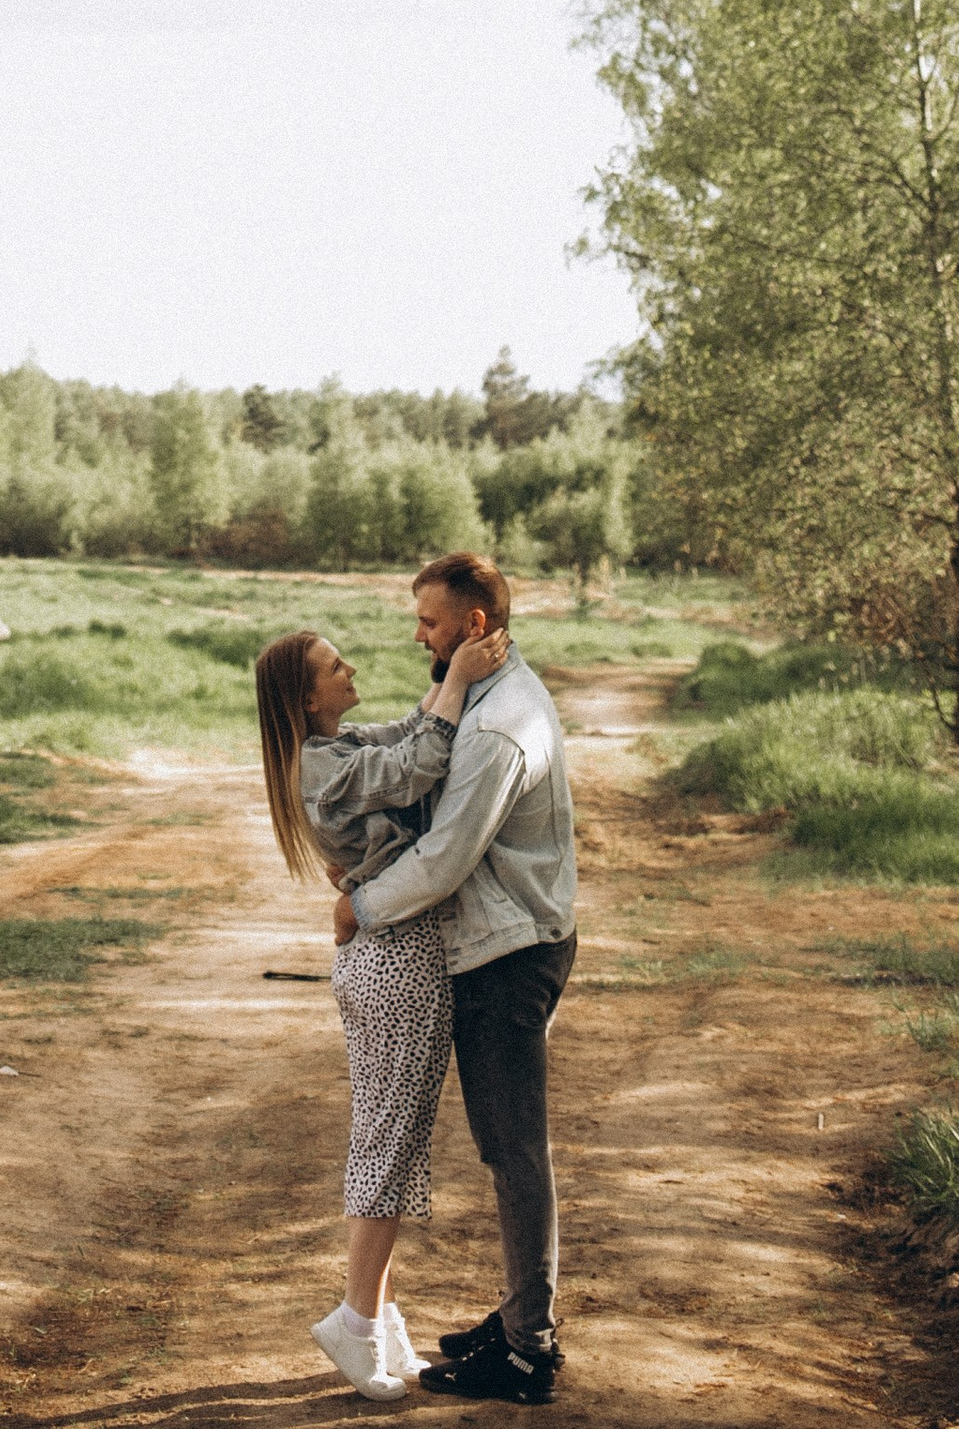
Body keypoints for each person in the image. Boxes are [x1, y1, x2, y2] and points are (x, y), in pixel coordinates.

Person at [337, 552, 578, 1406]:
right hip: (502, 941)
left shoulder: (502, 724)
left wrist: (361, 907)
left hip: (511, 956)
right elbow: (409, 738)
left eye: (430, 624)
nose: (417, 636)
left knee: (515, 1152)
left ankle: (528, 1350)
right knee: (505, 1146)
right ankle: (519, 1316)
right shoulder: (477, 690)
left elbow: (444, 858)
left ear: (474, 627)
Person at [254, 607, 505, 1401]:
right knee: (389, 1146)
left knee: (390, 1139)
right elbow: (421, 763)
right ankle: (355, 1319)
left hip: (391, 957)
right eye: (336, 667)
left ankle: (383, 1320)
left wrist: (445, 680)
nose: (352, 670)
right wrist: (461, 677)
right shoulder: (319, 768)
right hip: (395, 961)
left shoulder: (334, 748)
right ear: (307, 699)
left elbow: (406, 733)